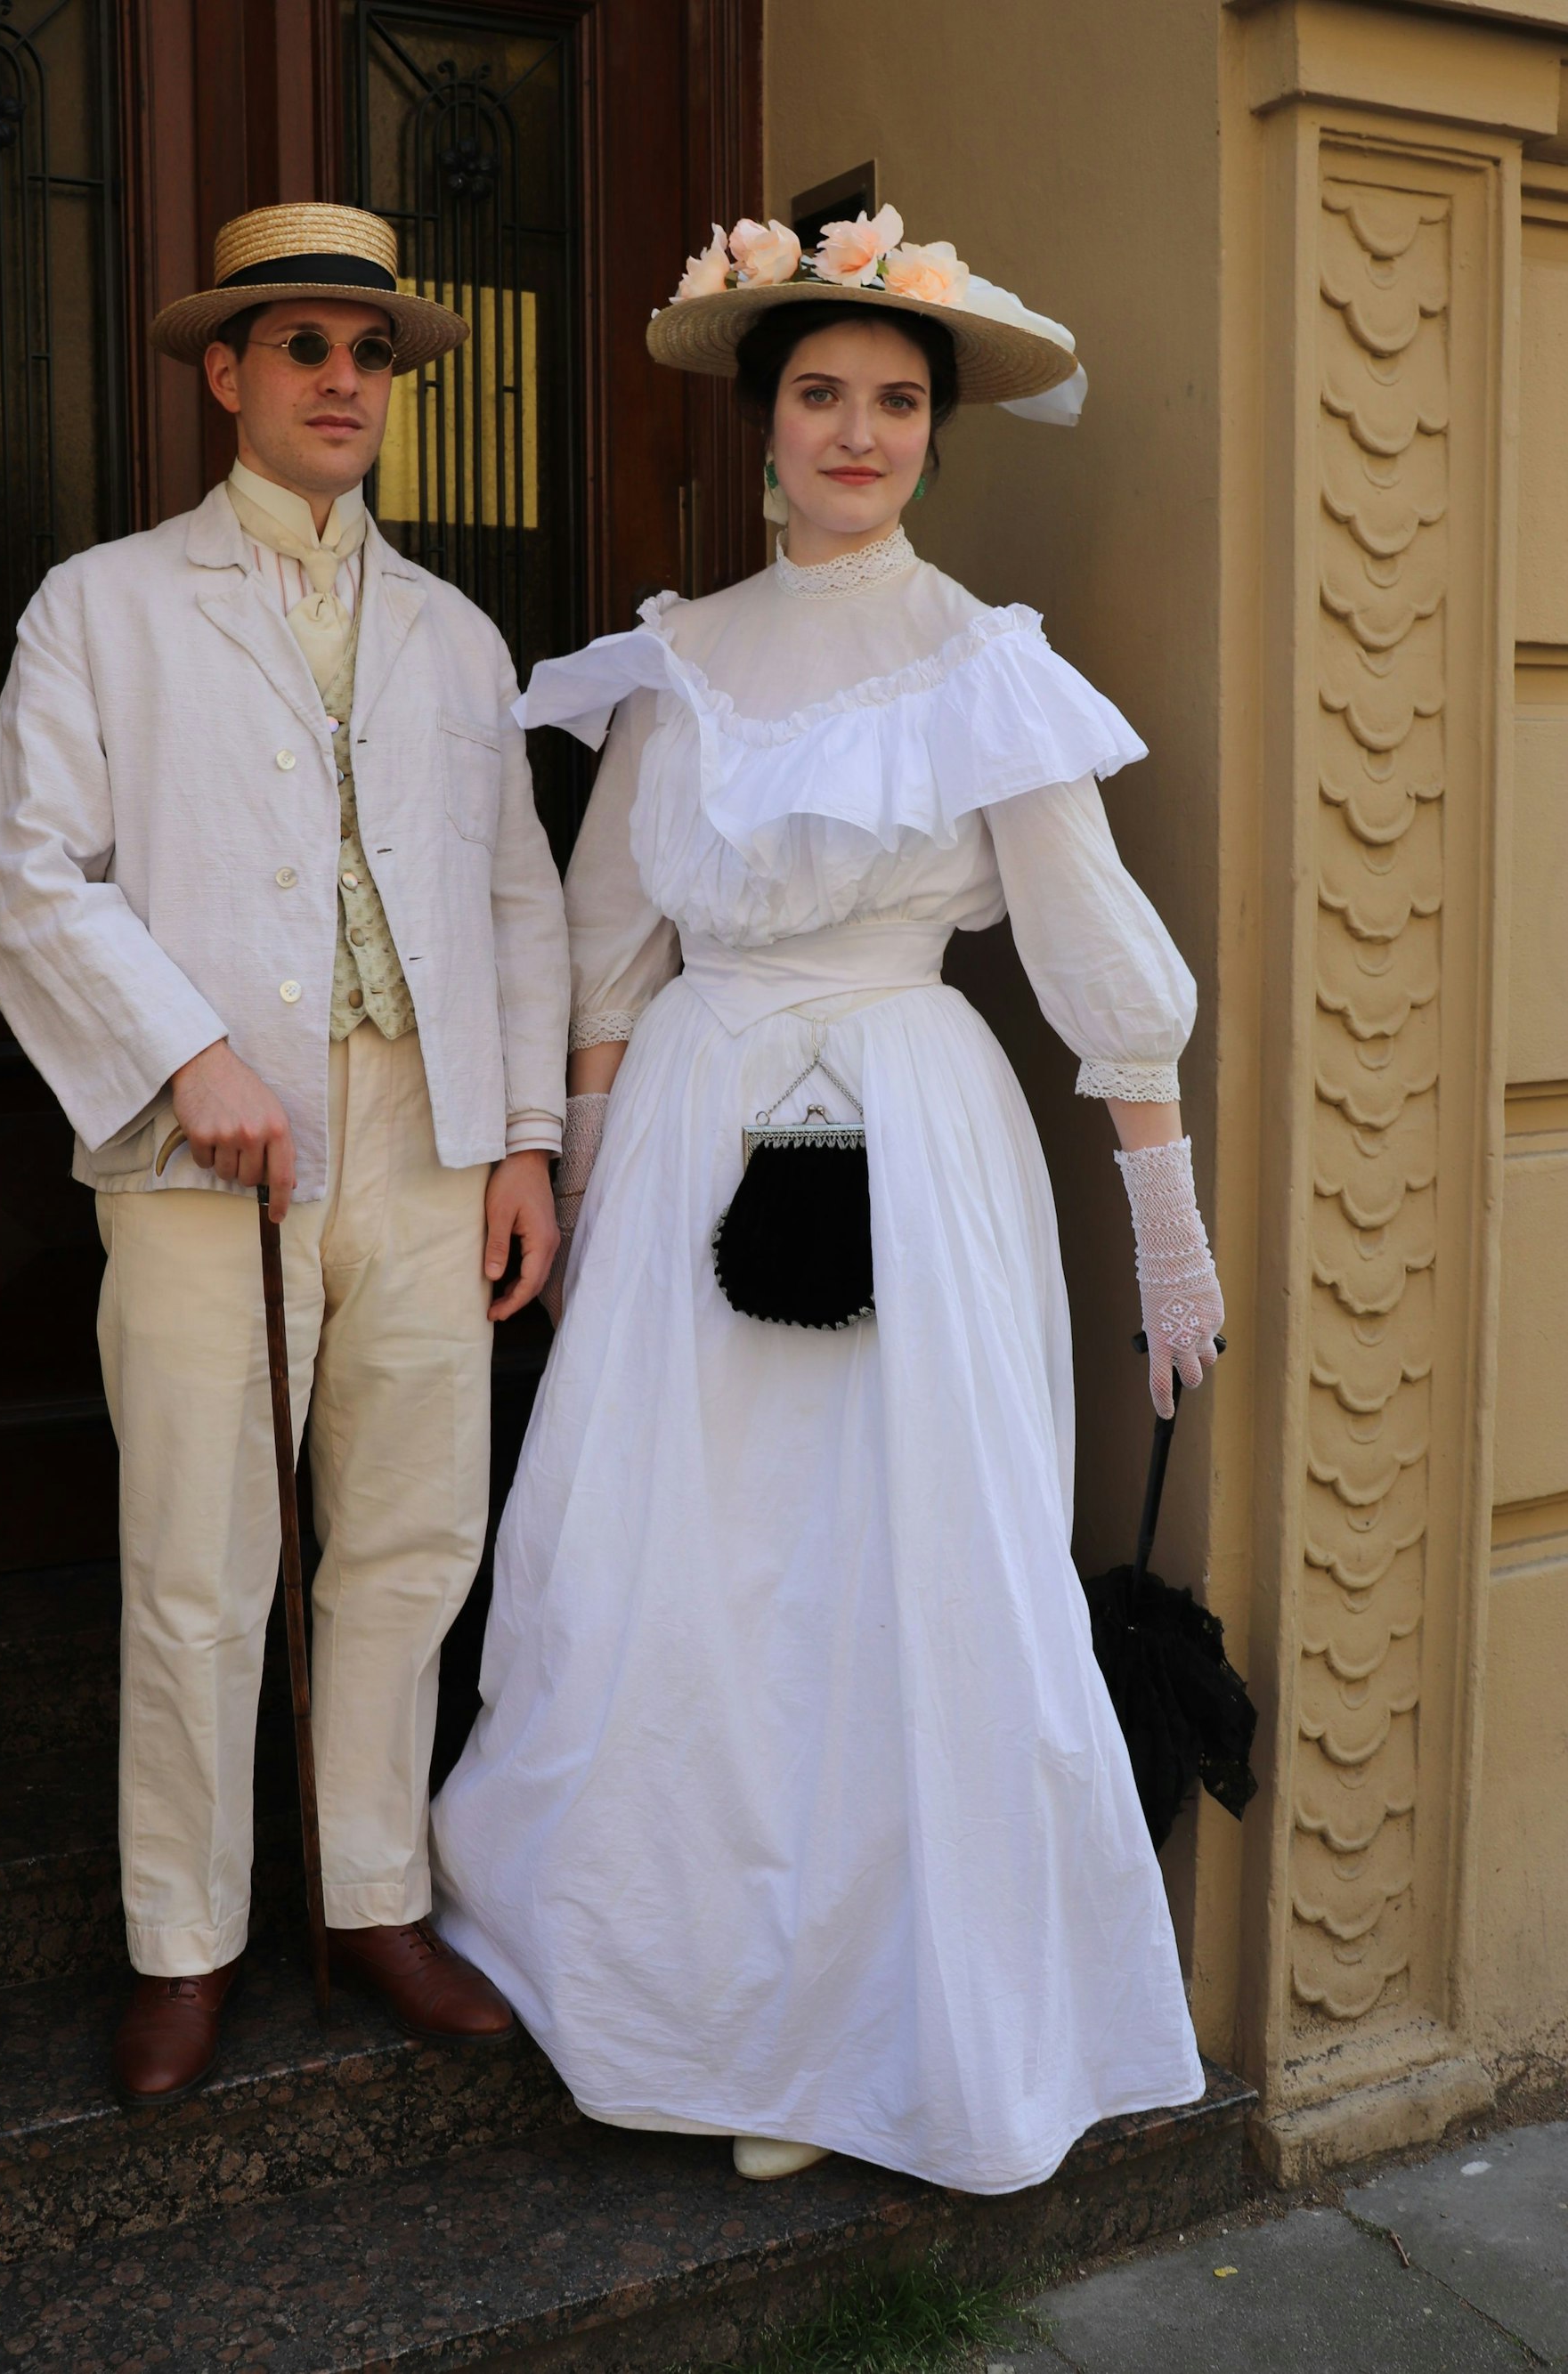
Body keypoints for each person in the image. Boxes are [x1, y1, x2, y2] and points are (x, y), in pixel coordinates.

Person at [431, 210, 1224, 2191]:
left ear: (933, 438)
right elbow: (610, 949)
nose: (854, 431)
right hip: (700, 1126)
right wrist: (599, 1191)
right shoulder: (678, 658)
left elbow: (1091, 955)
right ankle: (684, 1997)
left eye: (892, 400)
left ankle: (858, 2025)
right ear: (763, 428)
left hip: (906, 1128)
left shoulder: (986, 667)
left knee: (892, 1569)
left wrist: (1166, 1227)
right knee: (684, 1569)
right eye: (818, 395)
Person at [0, 203, 569, 2102]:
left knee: (409, 1536)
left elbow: (520, 903)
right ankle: (186, 1937)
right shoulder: (102, 603)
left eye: (367, 352)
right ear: (224, 372)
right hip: (199, 1151)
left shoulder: (464, 639)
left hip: (427, 1142)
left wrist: (527, 1144)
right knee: (202, 1559)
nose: (339, 380)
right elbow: (22, 871)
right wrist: (189, 1055)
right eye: (302, 346)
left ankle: (378, 1893)